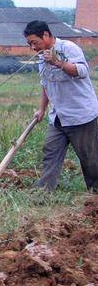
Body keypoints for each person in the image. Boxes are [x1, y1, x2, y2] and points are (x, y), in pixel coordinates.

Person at [23, 20, 98, 191]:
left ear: (46, 35)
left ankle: (95, 195)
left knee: (89, 158)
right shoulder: (42, 56)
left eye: (35, 42)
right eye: (29, 44)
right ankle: (44, 192)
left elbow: (82, 71)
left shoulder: (69, 48)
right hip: (58, 116)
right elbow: (46, 83)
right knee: (50, 152)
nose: (33, 47)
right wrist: (42, 109)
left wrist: (58, 62)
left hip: (81, 115)